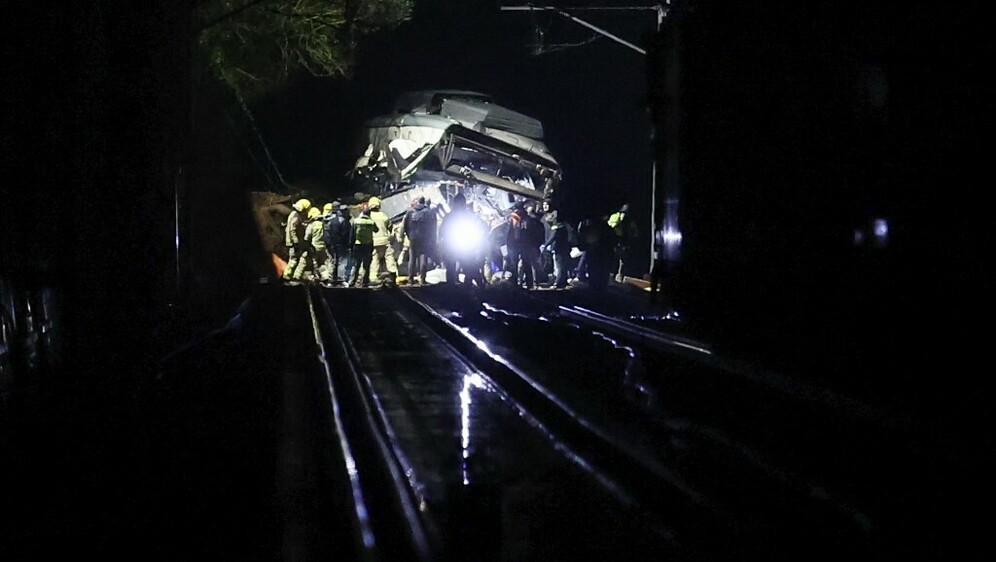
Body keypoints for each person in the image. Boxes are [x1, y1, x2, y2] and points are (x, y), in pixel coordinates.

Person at [438, 193, 486, 286]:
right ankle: (459, 288)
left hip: (462, 245)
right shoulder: (452, 216)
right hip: (454, 246)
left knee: (469, 268)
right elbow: (442, 232)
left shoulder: (464, 216)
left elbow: (474, 230)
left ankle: (472, 287)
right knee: (463, 268)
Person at [403, 196, 437, 285]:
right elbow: (433, 226)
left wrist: (409, 235)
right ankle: (423, 279)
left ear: (418, 202)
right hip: (425, 238)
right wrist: (432, 238)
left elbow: (405, 225)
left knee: (412, 258)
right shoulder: (429, 212)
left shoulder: (410, 212)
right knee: (423, 257)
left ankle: (410, 279)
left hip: (413, 238)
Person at [366, 196, 398, 285]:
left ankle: (373, 278)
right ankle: (394, 274)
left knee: (374, 259)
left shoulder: (368, 217)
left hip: (373, 242)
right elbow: (389, 226)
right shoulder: (383, 215)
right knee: (389, 257)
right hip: (384, 241)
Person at [282, 198, 311, 281]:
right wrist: (296, 241)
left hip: (291, 241)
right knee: (294, 259)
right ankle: (287, 275)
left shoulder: (293, 213)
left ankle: (289, 275)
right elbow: (293, 229)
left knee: (294, 258)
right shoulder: (296, 216)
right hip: (293, 243)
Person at [607, 203, 638, 282]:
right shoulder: (617, 217)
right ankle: (615, 274)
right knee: (618, 258)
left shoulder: (627, 220)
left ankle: (618, 275)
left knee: (621, 259)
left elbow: (634, 231)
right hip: (618, 239)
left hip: (621, 239)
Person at [323, 203, 352, 285]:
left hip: (332, 244)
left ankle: (331, 279)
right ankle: (340, 279)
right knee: (342, 262)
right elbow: (346, 234)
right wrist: (348, 244)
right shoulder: (344, 221)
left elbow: (328, 233)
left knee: (333, 261)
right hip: (341, 244)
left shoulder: (331, 220)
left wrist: (329, 243)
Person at [542, 210, 571, 289]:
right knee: (563, 265)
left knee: (559, 266)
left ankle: (557, 283)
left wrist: (546, 245)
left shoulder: (556, 225)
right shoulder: (564, 224)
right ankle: (563, 282)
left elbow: (553, 236)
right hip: (565, 247)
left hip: (559, 248)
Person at [349, 204, 376, 287]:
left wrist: (351, 245)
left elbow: (352, 235)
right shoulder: (371, 222)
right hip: (368, 245)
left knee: (356, 264)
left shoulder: (356, 221)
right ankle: (365, 281)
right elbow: (376, 230)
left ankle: (352, 281)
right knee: (366, 264)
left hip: (358, 245)